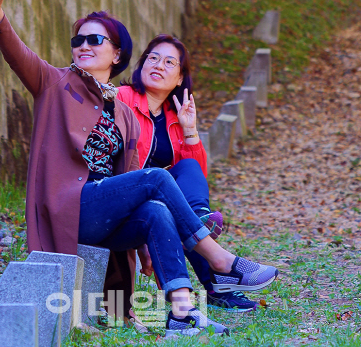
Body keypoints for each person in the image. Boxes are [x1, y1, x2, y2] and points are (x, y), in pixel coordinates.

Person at [0, 0, 273, 336]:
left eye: (94, 39)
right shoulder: (54, 83)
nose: (83, 45)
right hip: (69, 206)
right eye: (78, 39)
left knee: (155, 209)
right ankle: (219, 260)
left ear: (117, 53)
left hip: (103, 214)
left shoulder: (122, 111)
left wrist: (152, 240)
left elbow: (129, 181)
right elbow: (16, 53)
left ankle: (182, 314)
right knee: (157, 177)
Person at [117, 35, 278, 312]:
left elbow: (195, 177)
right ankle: (218, 278)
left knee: (189, 178)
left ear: (180, 78)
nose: (159, 65)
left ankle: (203, 234)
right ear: (141, 65)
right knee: (184, 215)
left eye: (169, 62)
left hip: (157, 197)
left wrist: (190, 130)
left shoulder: (175, 117)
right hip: (125, 193)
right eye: (152, 58)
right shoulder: (121, 99)